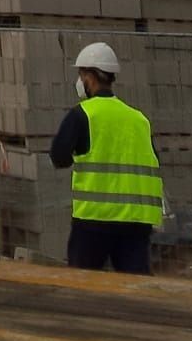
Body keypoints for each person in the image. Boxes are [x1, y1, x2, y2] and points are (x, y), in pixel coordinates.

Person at [49, 41, 162, 274]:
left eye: (81, 75)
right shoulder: (139, 119)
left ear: (90, 77)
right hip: (136, 222)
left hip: (94, 222)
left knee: (83, 285)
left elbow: (59, 157)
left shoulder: (82, 115)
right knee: (135, 287)